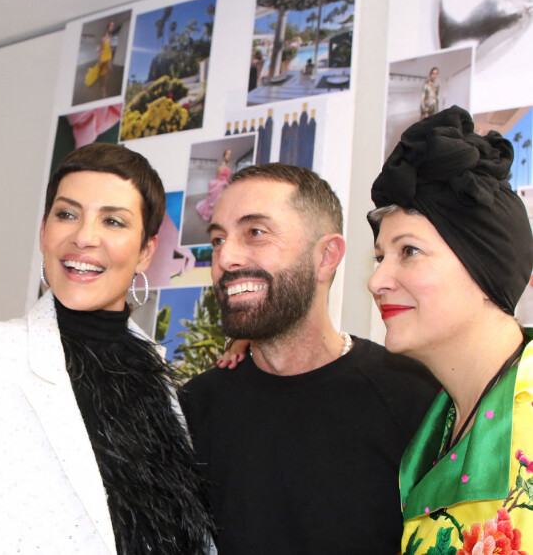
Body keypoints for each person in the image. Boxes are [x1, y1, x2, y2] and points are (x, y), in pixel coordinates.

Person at [0, 143, 214, 553]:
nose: (84, 237)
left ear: (146, 251)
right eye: (67, 214)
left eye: (113, 221)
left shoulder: (162, 386)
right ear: (43, 232)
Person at [179, 163, 439, 554]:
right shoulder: (193, 409)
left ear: (326, 256)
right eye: (217, 239)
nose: (225, 257)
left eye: (255, 232)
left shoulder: (415, 398)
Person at [367, 106, 533, 553]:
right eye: (380, 257)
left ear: (483, 268)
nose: (377, 281)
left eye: (410, 252)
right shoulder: (433, 423)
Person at [196, 149, 232, 221]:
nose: (229, 156)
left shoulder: (229, 168)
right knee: (215, 202)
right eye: (227, 154)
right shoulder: (220, 167)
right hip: (219, 186)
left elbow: (227, 179)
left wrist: (229, 183)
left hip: (226, 186)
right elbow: (217, 178)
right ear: (223, 156)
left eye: (230, 154)